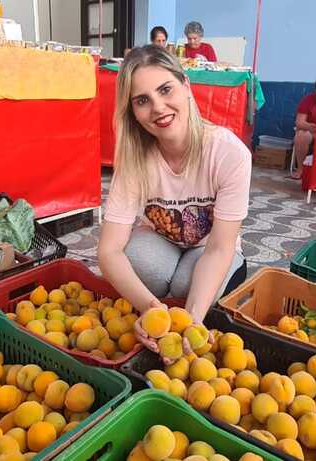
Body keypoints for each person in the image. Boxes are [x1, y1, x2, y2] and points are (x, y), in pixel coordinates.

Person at [97, 45, 249, 356]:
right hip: (161, 243)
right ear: (133, 113)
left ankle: (188, 299)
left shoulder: (228, 153)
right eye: (142, 100)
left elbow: (220, 248)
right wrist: (151, 310)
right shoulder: (135, 159)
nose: (158, 107)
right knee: (139, 261)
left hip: (209, 248)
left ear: (186, 86)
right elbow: (108, 251)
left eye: (165, 89)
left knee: (188, 286)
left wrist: (191, 320)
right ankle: (163, 296)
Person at [290, 74, 316, 179]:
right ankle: (301, 169)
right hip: (312, 132)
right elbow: (299, 122)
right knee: (301, 136)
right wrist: (309, 126)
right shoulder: (309, 100)